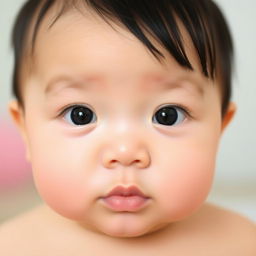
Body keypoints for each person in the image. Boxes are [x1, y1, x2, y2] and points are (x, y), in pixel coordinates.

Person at [0, 0, 255, 254]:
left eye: (168, 115)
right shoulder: (11, 246)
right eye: (80, 115)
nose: (125, 152)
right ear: (26, 131)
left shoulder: (243, 242)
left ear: (219, 130)